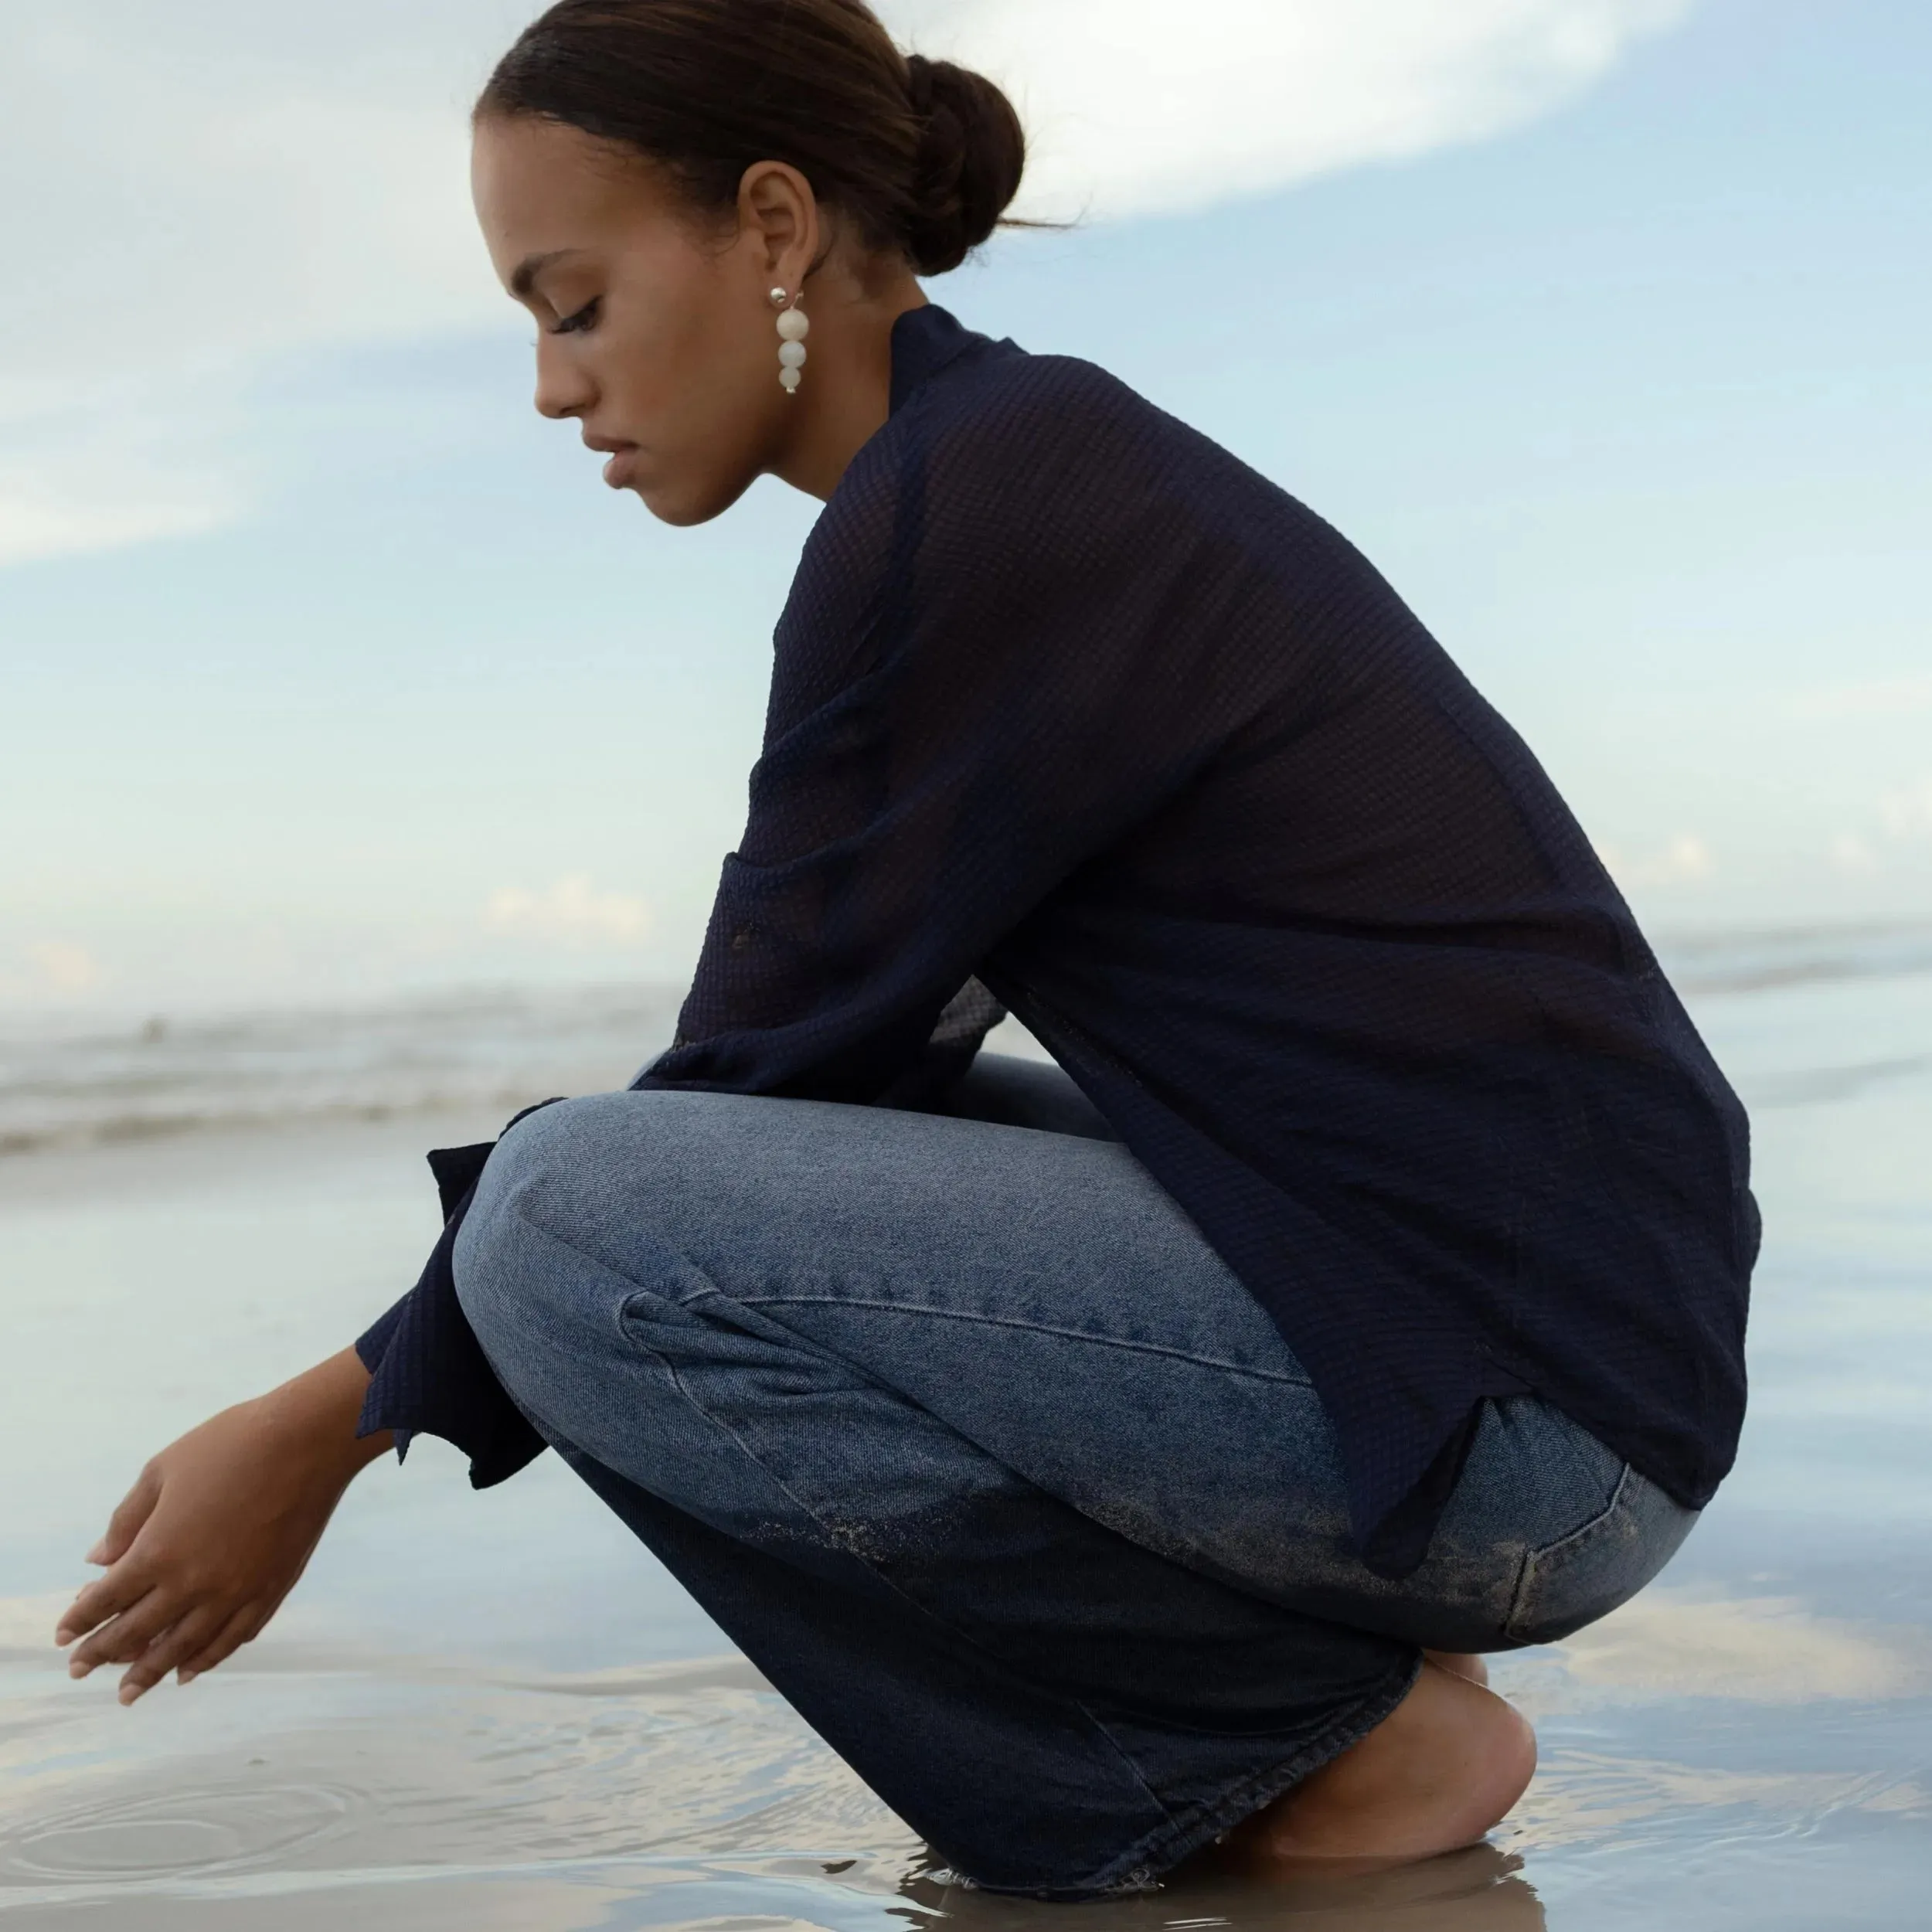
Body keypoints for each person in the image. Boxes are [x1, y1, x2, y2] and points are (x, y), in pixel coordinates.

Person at [54, 0, 1757, 1900]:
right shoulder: (998, 463)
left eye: (575, 300)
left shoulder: (978, 500)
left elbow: (730, 1093)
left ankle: (1299, 1741)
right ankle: (1290, 1684)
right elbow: (836, 1070)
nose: (551, 387)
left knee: (568, 1213)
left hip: (1516, 1418)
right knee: (605, 1200)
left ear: (771, 228)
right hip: (1531, 1367)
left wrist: (324, 1422)